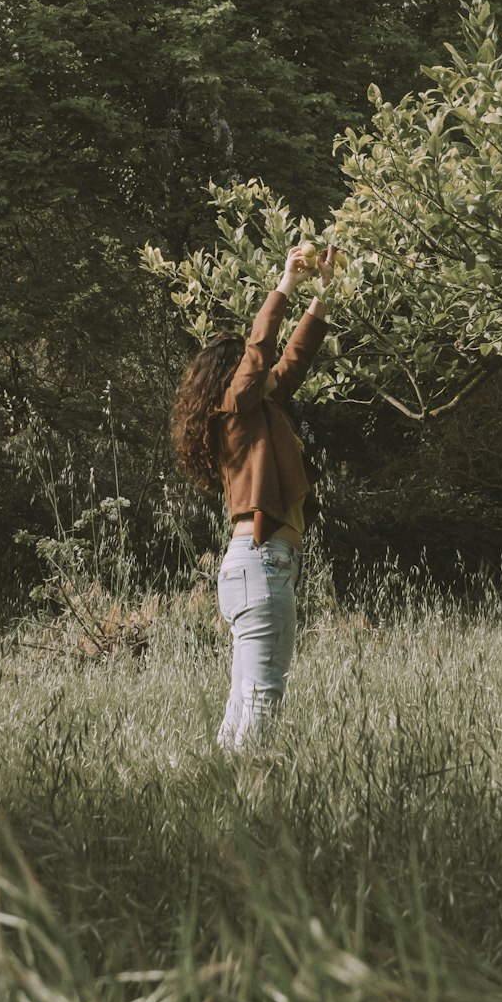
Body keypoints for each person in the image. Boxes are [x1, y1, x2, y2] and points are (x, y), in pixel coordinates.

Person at [171, 245, 333, 752]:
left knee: (244, 702)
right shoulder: (236, 408)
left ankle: (218, 796)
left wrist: (321, 296)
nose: (255, 368)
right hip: (261, 564)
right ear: (232, 376)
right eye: (244, 365)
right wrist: (285, 283)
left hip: (257, 566)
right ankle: (250, 801)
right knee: (262, 699)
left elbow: (292, 361)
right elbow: (263, 350)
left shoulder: (258, 408)